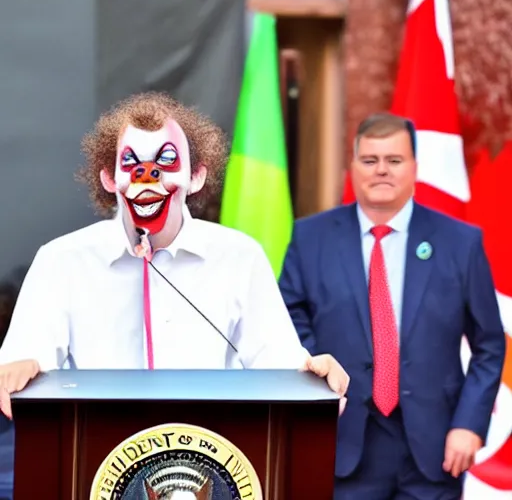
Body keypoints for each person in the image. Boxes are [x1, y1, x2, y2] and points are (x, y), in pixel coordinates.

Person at [0, 92, 349, 419]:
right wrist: (17, 372)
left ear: (196, 176)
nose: (147, 177)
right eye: (131, 162)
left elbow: (279, 364)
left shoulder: (241, 257)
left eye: (166, 160)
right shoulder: (61, 260)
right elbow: (24, 361)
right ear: (109, 178)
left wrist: (312, 378)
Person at [279, 113, 506, 499]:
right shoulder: (310, 237)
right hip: (341, 443)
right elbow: (287, 326)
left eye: (394, 160)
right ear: (352, 166)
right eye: (370, 160)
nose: (381, 170)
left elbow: (489, 346)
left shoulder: (460, 242)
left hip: (435, 449)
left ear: (414, 167)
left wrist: (469, 424)